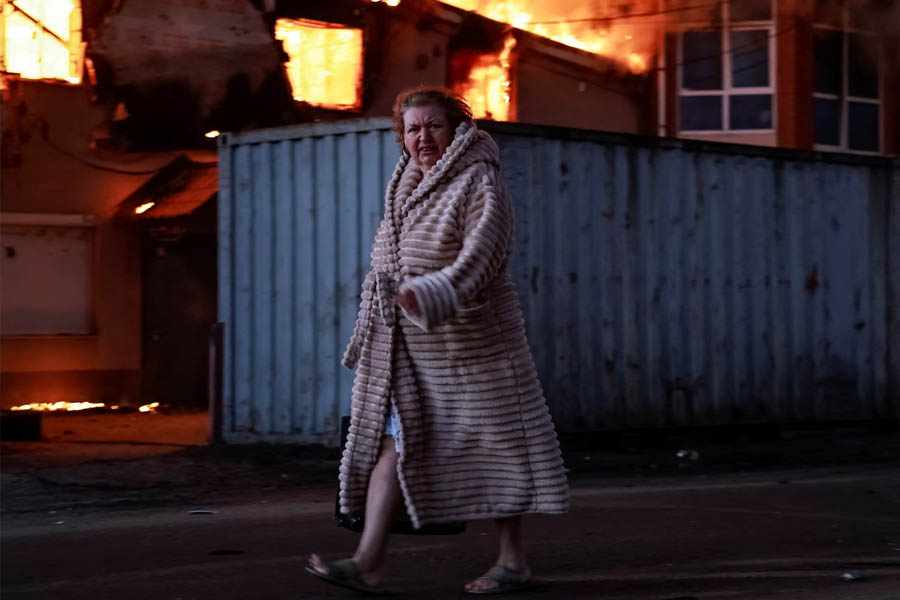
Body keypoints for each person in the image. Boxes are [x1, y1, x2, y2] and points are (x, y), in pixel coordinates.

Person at [306, 86, 569, 595]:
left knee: (497, 447)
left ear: (457, 130)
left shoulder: (479, 181)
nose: (423, 137)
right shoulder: (404, 185)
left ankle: (513, 562)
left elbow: (483, 255)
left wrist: (434, 290)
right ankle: (367, 562)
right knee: (392, 446)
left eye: (433, 126)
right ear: (401, 138)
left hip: (474, 346)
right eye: (412, 129)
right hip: (408, 350)